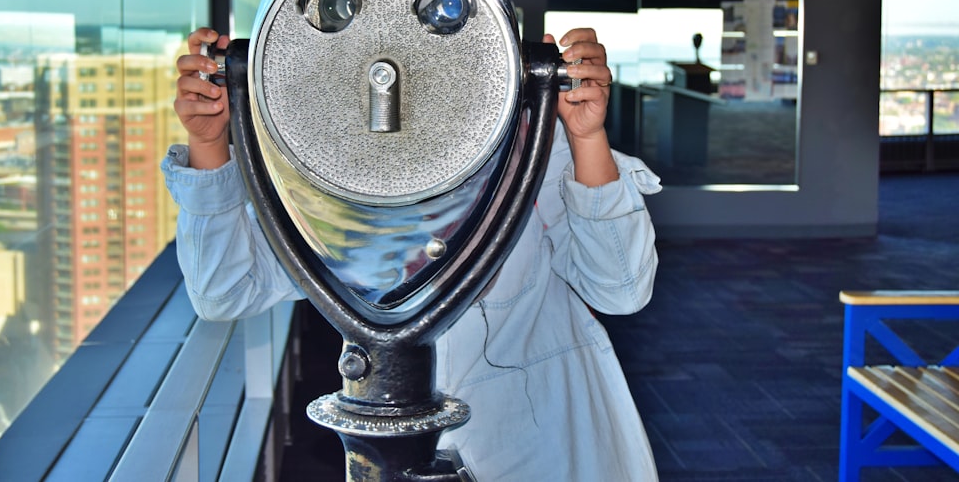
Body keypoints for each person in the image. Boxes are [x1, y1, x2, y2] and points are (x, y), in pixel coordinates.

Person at [162, 24, 663, 481]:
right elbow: (223, 293)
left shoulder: (532, 145)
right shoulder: (335, 176)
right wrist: (209, 143)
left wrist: (586, 137)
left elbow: (620, 289)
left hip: (542, 444)